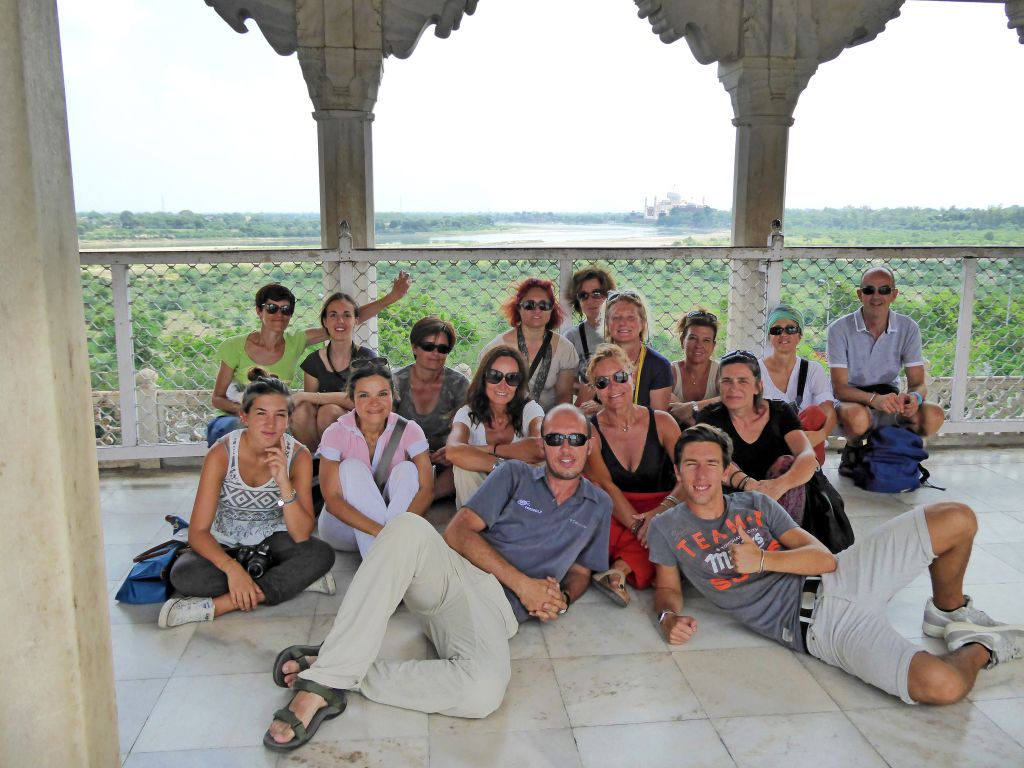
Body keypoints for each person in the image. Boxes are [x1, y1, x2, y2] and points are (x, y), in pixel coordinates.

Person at [263, 405, 612, 752]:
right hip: (454, 577)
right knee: (407, 527)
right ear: (543, 444)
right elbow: (458, 534)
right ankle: (319, 687)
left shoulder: (599, 505)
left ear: (589, 445)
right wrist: (524, 585)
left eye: (575, 439)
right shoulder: (515, 474)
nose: (566, 448)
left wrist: (562, 600)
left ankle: (336, 669)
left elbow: (582, 571)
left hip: (493, 614)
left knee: (483, 692)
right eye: (555, 439)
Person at [649, 423, 1024, 706]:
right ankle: (981, 646)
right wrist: (669, 619)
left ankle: (948, 613)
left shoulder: (757, 506)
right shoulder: (667, 528)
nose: (701, 475)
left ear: (725, 469)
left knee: (956, 517)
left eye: (711, 464)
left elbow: (824, 559)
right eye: (691, 464)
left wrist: (762, 559)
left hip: (845, 574)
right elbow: (666, 588)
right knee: (943, 687)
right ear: (678, 470)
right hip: (819, 626)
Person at [159, 370, 336, 629]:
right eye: (261, 414)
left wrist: (284, 485)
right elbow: (197, 532)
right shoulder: (221, 453)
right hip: (225, 544)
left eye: (280, 415)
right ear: (244, 416)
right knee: (185, 575)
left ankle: (219, 606)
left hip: (273, 544)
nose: (270, 424)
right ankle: (289, 580)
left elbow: (300, 534)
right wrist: (232, 569)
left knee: (321, 554)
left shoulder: (299, 455)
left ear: (288, 420)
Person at [207, 275, 410, 445]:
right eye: (271, 308)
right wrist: (249, 412)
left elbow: (342, 322)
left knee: (299, 419)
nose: (279, 314)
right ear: (259, 311)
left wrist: (391, 297)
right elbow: (217, 398)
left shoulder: (295, 342)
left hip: (275, 416)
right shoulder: (233, 347)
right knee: (233, 432)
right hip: (237, 415)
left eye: (285, 310)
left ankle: (313, 468)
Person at [582, 344, 681, 606]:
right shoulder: (591, 432)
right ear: (595, 390)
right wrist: (642, 528)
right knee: (593, 522)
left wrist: (660, 513)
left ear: (633, 376)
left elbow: (688, 477)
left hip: (662, 506)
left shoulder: (663, 422)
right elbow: (605, 486)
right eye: (602, 383)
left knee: (678, 525)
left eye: (620, 377)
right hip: (618, 510)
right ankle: (629, 565)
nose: (613, 388)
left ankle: (620, 570)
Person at [316, 358, 434, 557]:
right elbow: (333, 500)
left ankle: (383, 560)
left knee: (407, 469)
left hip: (394, 523)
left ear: (393, 395)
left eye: (382, 394)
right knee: (351, 467)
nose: (374, 403)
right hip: (343, 528)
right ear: (352, 398)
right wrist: (383, 533)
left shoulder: (409, 429)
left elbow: (426, 489)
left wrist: (402, 530)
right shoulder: (336, 432)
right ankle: (391, 557)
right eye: (364, 395)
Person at [826, 266, 945, 442]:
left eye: (884, 290)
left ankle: (891, 454)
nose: (876, 296)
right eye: (869, 290)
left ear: (894, 295)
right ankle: (856, 451)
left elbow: (918, 384)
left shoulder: (908, 328)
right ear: (860, 295)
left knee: (934, 415)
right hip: (851, 400)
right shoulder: (839, 329)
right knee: (857, 417)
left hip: (889, 398)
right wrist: (874, 399)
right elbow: (840, 389)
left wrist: (914, 398)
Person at [696, 350, 816, 524]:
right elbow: (707, 460)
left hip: (781, 499)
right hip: (732, 500)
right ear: (719, 385)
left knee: (788, 463)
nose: (733, 388)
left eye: (742, 381)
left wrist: (778, 486)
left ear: (757, 387)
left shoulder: (780, 412)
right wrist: (749, 484)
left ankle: (786, 537)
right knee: (717, 461)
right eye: (726, 381)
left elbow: (807, 455)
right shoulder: (710, 417)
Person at [446, 345, 545, 508]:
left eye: (512, 377)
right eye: (495, 376)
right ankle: (474, 528)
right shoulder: (468, 413)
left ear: (519, 383)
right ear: (483, 378)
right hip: (483, 495)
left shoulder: (530, 409)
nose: (503, 385)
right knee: (463, 469)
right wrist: (504, 466)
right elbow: (453, 451)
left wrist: (484, 450)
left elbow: (540, 447)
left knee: (545, 462)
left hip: (522, 494)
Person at [392, 316, 470, 501]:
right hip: (404, 453)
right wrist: (415, 453)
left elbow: (465, 426)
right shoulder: (395, 382)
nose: (435, 353)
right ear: (414, 347)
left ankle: (426, 497)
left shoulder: (459, 384)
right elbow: (385, 428)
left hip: (446, 456)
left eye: (443, 348)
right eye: (428, 346)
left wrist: (452, 447)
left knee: (465, 459)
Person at [290, 292, 376, 453]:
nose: (340, 321)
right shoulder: (313, 361)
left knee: (328, 412)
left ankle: (335, 463)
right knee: (301, 411)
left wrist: (303, 395)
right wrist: (305, 399)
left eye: (347, 315)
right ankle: (314, 464)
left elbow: (359, 400)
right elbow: (310, 406)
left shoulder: (366, 358)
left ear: (356, 320)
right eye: (333, 315)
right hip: (321, 430)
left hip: (364, 426)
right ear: (325, 321)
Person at [479, 277, 578, 411]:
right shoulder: (495, 348)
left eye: (544, 305)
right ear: (519, 308)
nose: (537, 310)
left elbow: (564, 400)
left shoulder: (565, 349)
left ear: (551, 309)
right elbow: (484, 394)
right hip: (507, 421)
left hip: (548, 423)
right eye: (529, 305)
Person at [759, 304, 837, 465]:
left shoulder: (813, 370)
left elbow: (828, 410)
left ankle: (804, 471)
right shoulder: (756, 370)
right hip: (769, 442)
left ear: (800, 335)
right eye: (776, 330)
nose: (783, 335)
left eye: (791, 329)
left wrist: (821, 435)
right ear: (769, 336)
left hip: (804, 443)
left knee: (815, 412)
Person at [600, 290, 672, 411]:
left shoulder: (659, 365)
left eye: (630, 317)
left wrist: (601, 410)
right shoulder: (597, 361)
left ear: (642, 323)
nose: (623, 323)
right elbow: (583, 406)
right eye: (616, 317)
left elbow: (657, 420)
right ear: (607, 323)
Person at [562, 266, 616, 412]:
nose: (590, 300)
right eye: (583, 295)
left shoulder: (622, 331)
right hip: (590, 406)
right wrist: (589, 388)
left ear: (608, 296)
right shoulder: (572, 337)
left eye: (596, 294)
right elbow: (568, 382)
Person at [667, 308, 721, 426]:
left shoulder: (721, 371)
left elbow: (729, 399)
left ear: (713, 345)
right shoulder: (670, 372)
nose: (699, 345)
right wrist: (695, 425)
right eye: (693, 338)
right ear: (682, 341)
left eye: (706, 340)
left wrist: (691, 407)